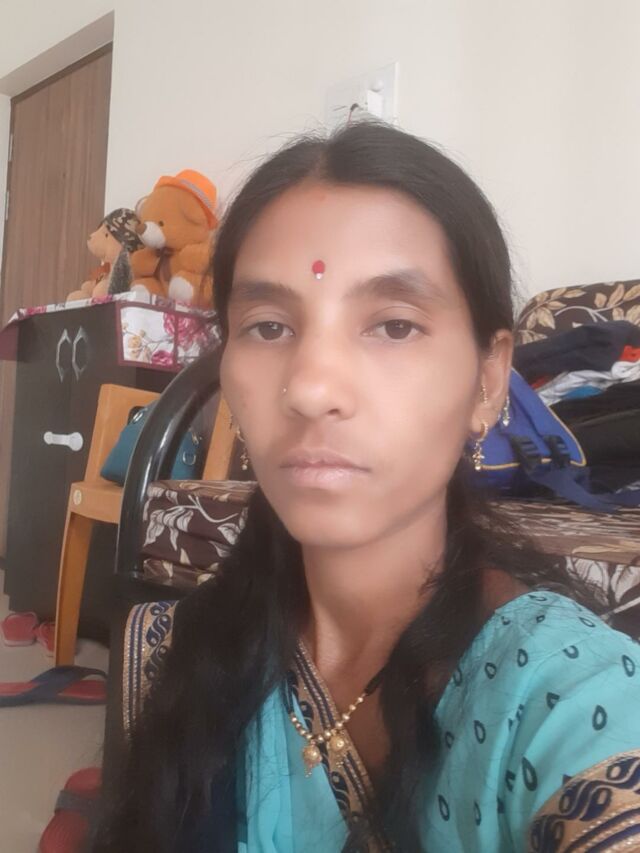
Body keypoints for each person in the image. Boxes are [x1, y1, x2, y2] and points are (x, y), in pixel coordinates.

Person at [92, 122, 640, 852]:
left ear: (487, 381)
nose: (311, 388)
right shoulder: (178, 651)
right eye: (267, 326)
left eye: (393, 325)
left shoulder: (565, 694)